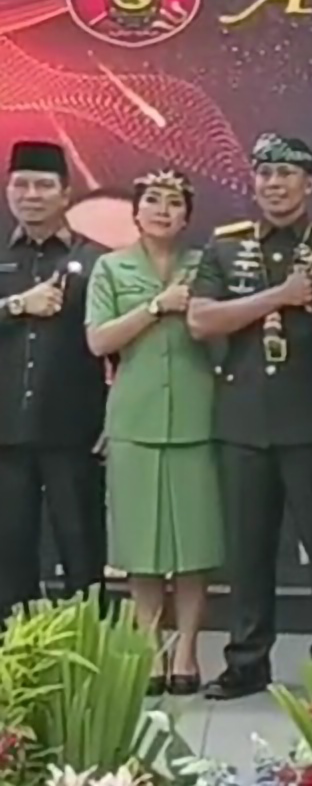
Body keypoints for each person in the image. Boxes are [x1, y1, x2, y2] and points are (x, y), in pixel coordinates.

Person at [187, 132, 312, 699]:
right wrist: (278, 297)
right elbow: (201, 320)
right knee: (248, 550)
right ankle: (246, 661)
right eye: (264, 174)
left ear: (309, 184)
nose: (274, 184)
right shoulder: (226, 245)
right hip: (243, 418)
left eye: (286, 174)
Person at [84, 171, 221, 696]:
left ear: (187, 215)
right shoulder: (110, 268)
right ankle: (150, 648)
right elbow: (100, 341)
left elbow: (221, 334)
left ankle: (186, 651)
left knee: (194, 546)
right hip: (134, 419)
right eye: (153, 201)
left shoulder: (206, 266)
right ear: (135, 211)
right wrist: (157, 306)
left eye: (174, 203)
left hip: (198, 416)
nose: (163, 210)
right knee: (141, 547)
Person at [0, 140, 108, 622]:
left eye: (43, 185)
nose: (31, 195)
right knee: (9, 558)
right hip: (6, 434)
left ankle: (89, 651)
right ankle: (13, 653)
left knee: (83, 555)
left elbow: (118, 348)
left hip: (74, 434)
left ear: (66, 194)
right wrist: (16, 305)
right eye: (21, 184)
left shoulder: (98, 261)